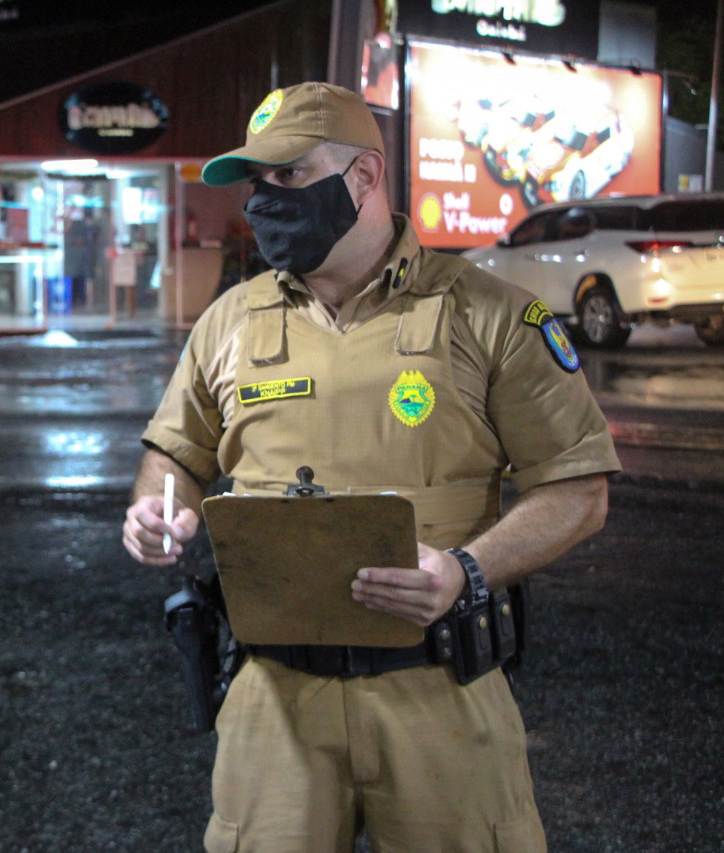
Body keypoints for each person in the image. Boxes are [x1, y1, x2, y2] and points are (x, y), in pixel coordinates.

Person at [122, 82, 620, 852]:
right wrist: (158, 507)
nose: (266, 198)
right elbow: (173, 453)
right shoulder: (229, 320)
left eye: (289, 174)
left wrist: (467, 569)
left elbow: (580, 490)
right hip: (271, 701)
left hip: (441, 692)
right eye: (259, 180)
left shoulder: (489, 314)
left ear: (363, 176)